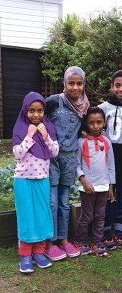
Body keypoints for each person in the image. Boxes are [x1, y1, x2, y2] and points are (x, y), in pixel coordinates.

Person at [44, 66, 90, 261]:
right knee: (52, 202)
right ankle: (49, 242)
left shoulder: (84, 105)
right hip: (52, 157)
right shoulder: (54, 102)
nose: (75, 87)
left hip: (70, 158)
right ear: (64, 84)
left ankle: (63, 239)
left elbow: (85, 127)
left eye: (79, 83)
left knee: (64, 202)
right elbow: (37, 118)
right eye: (71, 83)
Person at [13, 92, 59, 273]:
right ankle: (25, 255)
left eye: (40, 111)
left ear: (44, 112)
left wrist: (45, 136)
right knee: (26, 217)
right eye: (31, 110)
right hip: (23, 181)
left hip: (42, 179)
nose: (36, 114)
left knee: (42, 216)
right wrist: (29, 136)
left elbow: (55, 152)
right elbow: (17, 155)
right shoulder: (20, 128)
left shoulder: (48, 127)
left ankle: (38, 253)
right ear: (25, 110)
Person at [99, 70, 122, 250]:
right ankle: (105, 230)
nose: (121, 89)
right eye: (117, 85)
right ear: (112, 86)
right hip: (108, 161)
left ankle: (119, 230)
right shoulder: (104, 108)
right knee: (108, 196)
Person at [74, 107, 115, 257]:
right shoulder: (81, 142)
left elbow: (111, 166)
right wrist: (83, 180)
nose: (96, 126)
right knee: (87, 215)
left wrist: (110, 185)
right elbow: (77, 165)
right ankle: (80, 240)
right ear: (86, 123)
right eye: (92, 123)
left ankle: (97, 242)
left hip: (103, 186)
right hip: (87, 187)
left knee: (100, 215)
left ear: (104, 123)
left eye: (99, 122)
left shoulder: (107, 142)